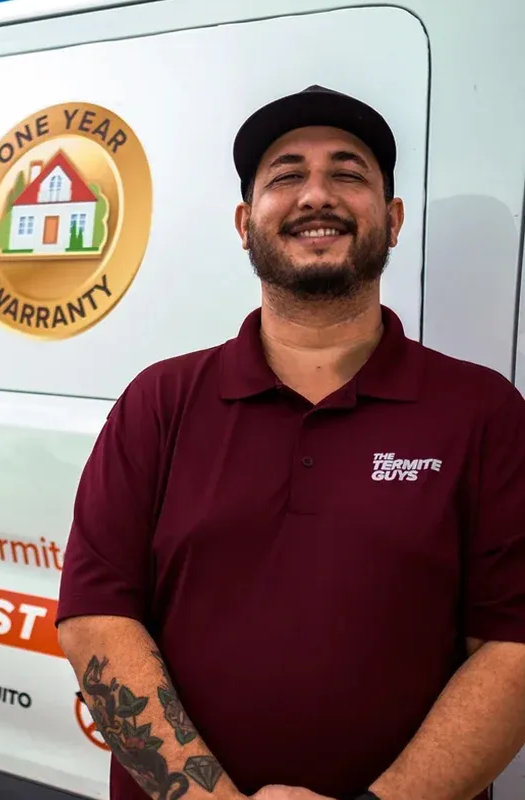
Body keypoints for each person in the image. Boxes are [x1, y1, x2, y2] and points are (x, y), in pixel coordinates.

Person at [55, 85, 525, 800]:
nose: (316, 195)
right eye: (285, 176)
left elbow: (513, 645)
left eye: (348, 173)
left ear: (392, 220)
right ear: (246, 223)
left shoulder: (483, 410)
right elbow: (96, 618)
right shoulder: (160, 402)